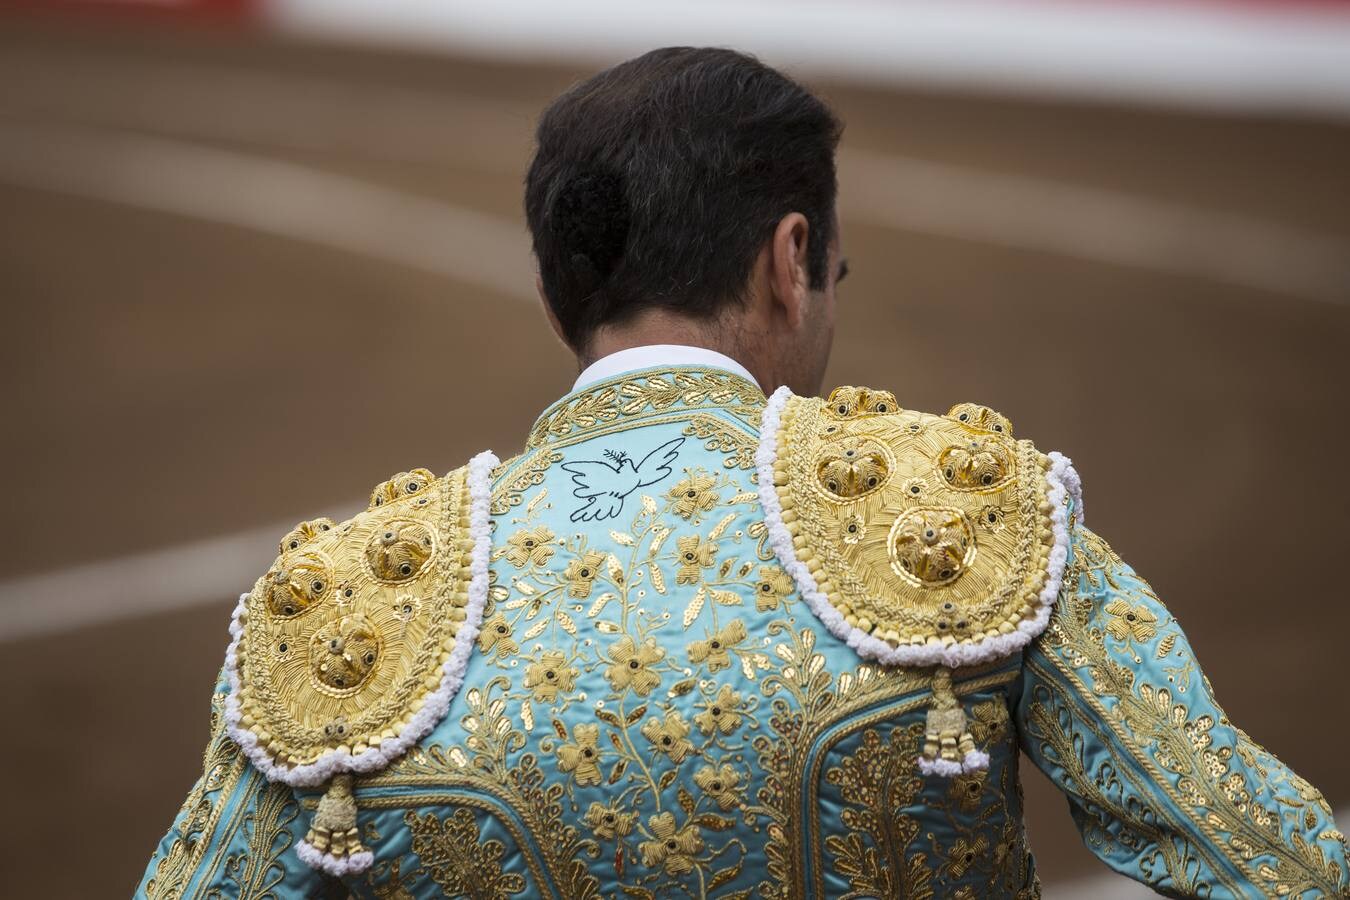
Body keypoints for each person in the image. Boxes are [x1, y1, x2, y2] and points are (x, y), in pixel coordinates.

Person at [138, 47, 1348, 899]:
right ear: (790, 259)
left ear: (563, 285)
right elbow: (1265, 860)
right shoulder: (960, 512)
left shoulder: (349, 611)